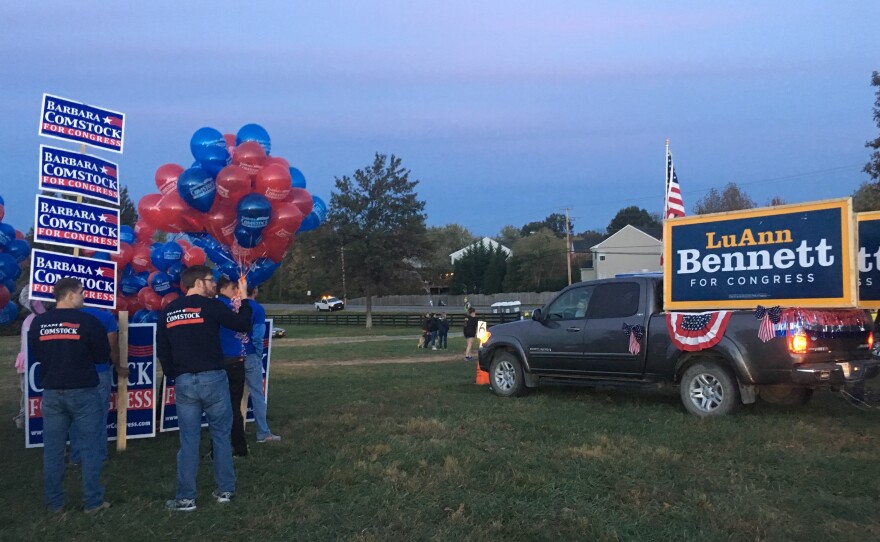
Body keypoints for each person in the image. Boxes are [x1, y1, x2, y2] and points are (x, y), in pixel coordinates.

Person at [157, 266, 252, 512]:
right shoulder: (212, 306)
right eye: (211, 281)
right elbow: (242, 324)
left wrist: (175, 375)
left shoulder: (168, 311)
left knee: (188, 439)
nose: (213, 286)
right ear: (199, 282)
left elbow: (163, 350)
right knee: (220, 436)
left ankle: (186, 498)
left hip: (185, 381)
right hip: (213, 378)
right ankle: (225, 491)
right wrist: (243, 298)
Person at [29, 278, 111, 513]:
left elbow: (38, 354)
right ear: (70, 295)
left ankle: (54, 503)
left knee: (53, 450)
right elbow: (101, 356)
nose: (83, 297)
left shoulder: (39, 323)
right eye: (81, 293)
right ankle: (93, 502)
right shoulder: (88, 321)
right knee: (90, 448)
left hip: (52, 392)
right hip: (83, 391)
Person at [70, 306, 128, 465]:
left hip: (74, 371)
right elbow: (112, 348)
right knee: (98, 414)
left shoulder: (69, 314)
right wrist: (118, 365)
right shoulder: (105, 316)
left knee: (76, 414)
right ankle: (98, 455)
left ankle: (76, 455)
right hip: (99, 370)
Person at [216, 276, 249, 457]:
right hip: (232, 361)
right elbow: (244, 324)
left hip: (225, 360)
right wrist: (244, 298)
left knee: (220, 408)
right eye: (233, 288)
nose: (235, 291)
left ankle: (222, 448)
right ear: (224, 289)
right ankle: (238, 447)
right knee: (232, 407)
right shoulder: (226, 307)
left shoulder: (220, 306)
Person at [242, 286, 280, 443]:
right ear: (255, 291)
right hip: (251, 355)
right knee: (257, 394)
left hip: (233, 356)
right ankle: (263, 432)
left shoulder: (234, 306)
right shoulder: (257, 309)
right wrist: (258, 353)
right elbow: (258, 335)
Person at [14, 289, 53, 430]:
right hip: (31, 359)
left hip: (48, 359)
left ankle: (29, 416)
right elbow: (27, 297)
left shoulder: (46, 317)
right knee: (28, 390)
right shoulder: (33, 318)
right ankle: (25, 417)